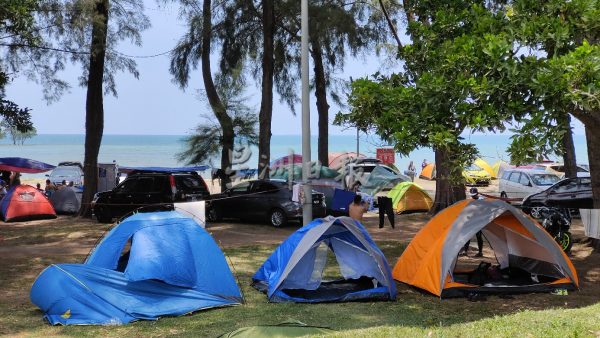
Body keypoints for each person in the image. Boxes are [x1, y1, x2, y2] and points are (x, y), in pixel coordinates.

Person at [462, 187, 485, 257]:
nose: (473, 196)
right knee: (467, 236)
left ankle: (480, 252)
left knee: (479, 236)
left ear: (477, 194)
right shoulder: (470, 201)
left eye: (474, 195)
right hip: (471, 221)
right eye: (472, 195)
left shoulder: (481, 200)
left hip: (478, 221)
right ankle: (465, 251)